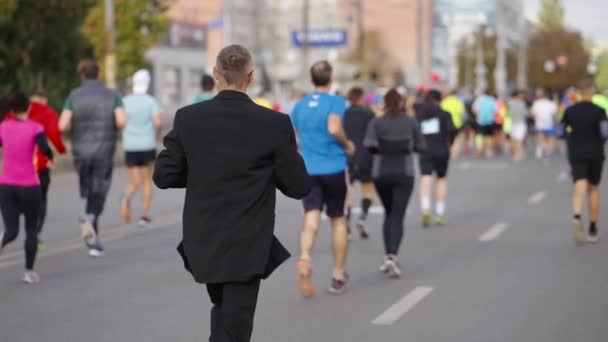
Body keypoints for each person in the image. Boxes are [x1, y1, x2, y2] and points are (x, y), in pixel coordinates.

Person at [153, 45, 310, 342]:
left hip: (204, 240)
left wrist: (202, 171)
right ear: (250, 76)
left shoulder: (188, 118)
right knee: (235, 325)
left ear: (215, 74)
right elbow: (299, 186)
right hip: (247, 243)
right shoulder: (274, 124)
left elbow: (164, 175)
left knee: (225, 313)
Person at [291, 60, 354, 297]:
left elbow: (292, 136)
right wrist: (348, 145)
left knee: (311, 217)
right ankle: (338, 275)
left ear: (311, 79)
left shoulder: (300, 105)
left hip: (309, 168)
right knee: (338, 219)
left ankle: (305, 257)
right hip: (334, 167)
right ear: (330, 78)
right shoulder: (336, 101)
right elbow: (334, 127)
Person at [59, 59, 126, 257]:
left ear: (82, 75)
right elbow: (122, 121)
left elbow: (62, 125)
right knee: (100, 190)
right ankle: (91, 217)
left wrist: (77, 128)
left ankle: (93, 239)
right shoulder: (112, 95)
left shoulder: (73, 95)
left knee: (89, 190)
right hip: (104, 149)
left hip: (80, 150)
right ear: (99, 74)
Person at [363, 89, 425, 277]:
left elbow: (368, 144)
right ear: (401, 103)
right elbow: (421, 146)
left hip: (381, 173)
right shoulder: (411, 122)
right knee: (398, 214)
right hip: (404, 173)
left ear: (384, 104)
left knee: (388, 213)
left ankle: (387, 255)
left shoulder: (376, 122)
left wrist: (383, 148)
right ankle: (393, 255)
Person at [0, 91, 54, 283]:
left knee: (11, 230)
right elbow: (45, 149)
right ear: (29, 107)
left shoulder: (3, 127)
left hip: (6, 185)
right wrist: (49, 158)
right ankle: (29, 272)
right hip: (30, 186)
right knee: (31, 230)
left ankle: (2, 240)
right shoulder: (35, 127)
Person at [3, 90, 66, 250]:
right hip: (39, 168)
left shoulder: (10, 118)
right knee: (40, 200)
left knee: (13, 207)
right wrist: (59, 151)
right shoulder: (47, 113)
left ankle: (13, 229)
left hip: (11, 176)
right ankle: (35, 234)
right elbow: (53, 135)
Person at [561, 79, 608, 244]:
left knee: (579, 184)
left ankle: (576, 215)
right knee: (593, 189)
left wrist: (571, 138)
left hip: (576, 152)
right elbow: (604, 133)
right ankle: (593, 227)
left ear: (579, 92)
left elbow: (562, 130)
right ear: (593, 91)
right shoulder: (600, 111)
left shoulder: (570, 111)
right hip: (595, 152)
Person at [120, 70, 162, 227]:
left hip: (130, 146)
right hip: (147, 145)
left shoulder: (125, 101)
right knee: (146, 182)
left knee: (134, 180)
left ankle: (126, 196)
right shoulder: (150, 101)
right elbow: (157, 123)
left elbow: (121, 121)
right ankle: (144, 215)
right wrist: (155, 134)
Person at [416, 89, 457, 227]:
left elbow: (415, 131)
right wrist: (450, 144)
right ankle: (439, 213)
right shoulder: (445, 114)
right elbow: (452, 131)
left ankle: (425, 209)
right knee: (441, 180)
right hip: (441, 150)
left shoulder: (420, 115)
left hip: (425, 150)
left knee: (425, 179)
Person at [344, 87, 375, 239]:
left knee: (348, 191)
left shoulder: (343, 114)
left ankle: (347, 224)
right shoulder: (369, 114)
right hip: (366, 156)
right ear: (361, 98)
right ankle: (362, 217)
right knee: (368, 190)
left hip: (348, 156)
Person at [531, 88, 558, 159]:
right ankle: (547, 150)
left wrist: (537, 119)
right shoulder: (551, 103)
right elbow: (554, 115)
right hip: (549, 123)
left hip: (539, 123)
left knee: (540, 138)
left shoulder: (537, 103)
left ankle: (542, 147)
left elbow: (533, 113)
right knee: (550, 138)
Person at [440, 90, 465, 158]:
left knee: (446, 139)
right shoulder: (458, 102)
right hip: (456, 123)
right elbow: (462, 113)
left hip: (445, 124)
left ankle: (447, 151)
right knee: (456, 139)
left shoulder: (444, 102)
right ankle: (453, 153)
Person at [473, 90, 498, 158]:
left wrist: (479, 115)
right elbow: (495, 111)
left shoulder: (479, 99)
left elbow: (474, 110)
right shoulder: (492, 100)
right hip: (490, 121)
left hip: (480, 121)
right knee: (489, 136)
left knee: (479, 136)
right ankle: (488, 150)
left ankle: (479, 149)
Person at [507, 90, 529, 161]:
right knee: (519, 139)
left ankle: (514, 152)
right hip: (520, 123)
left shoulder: (509, 103)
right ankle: (518, 153)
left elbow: (506, 113)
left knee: (513, 139)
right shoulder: (522, 103)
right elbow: (526, 113)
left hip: (511, 123)